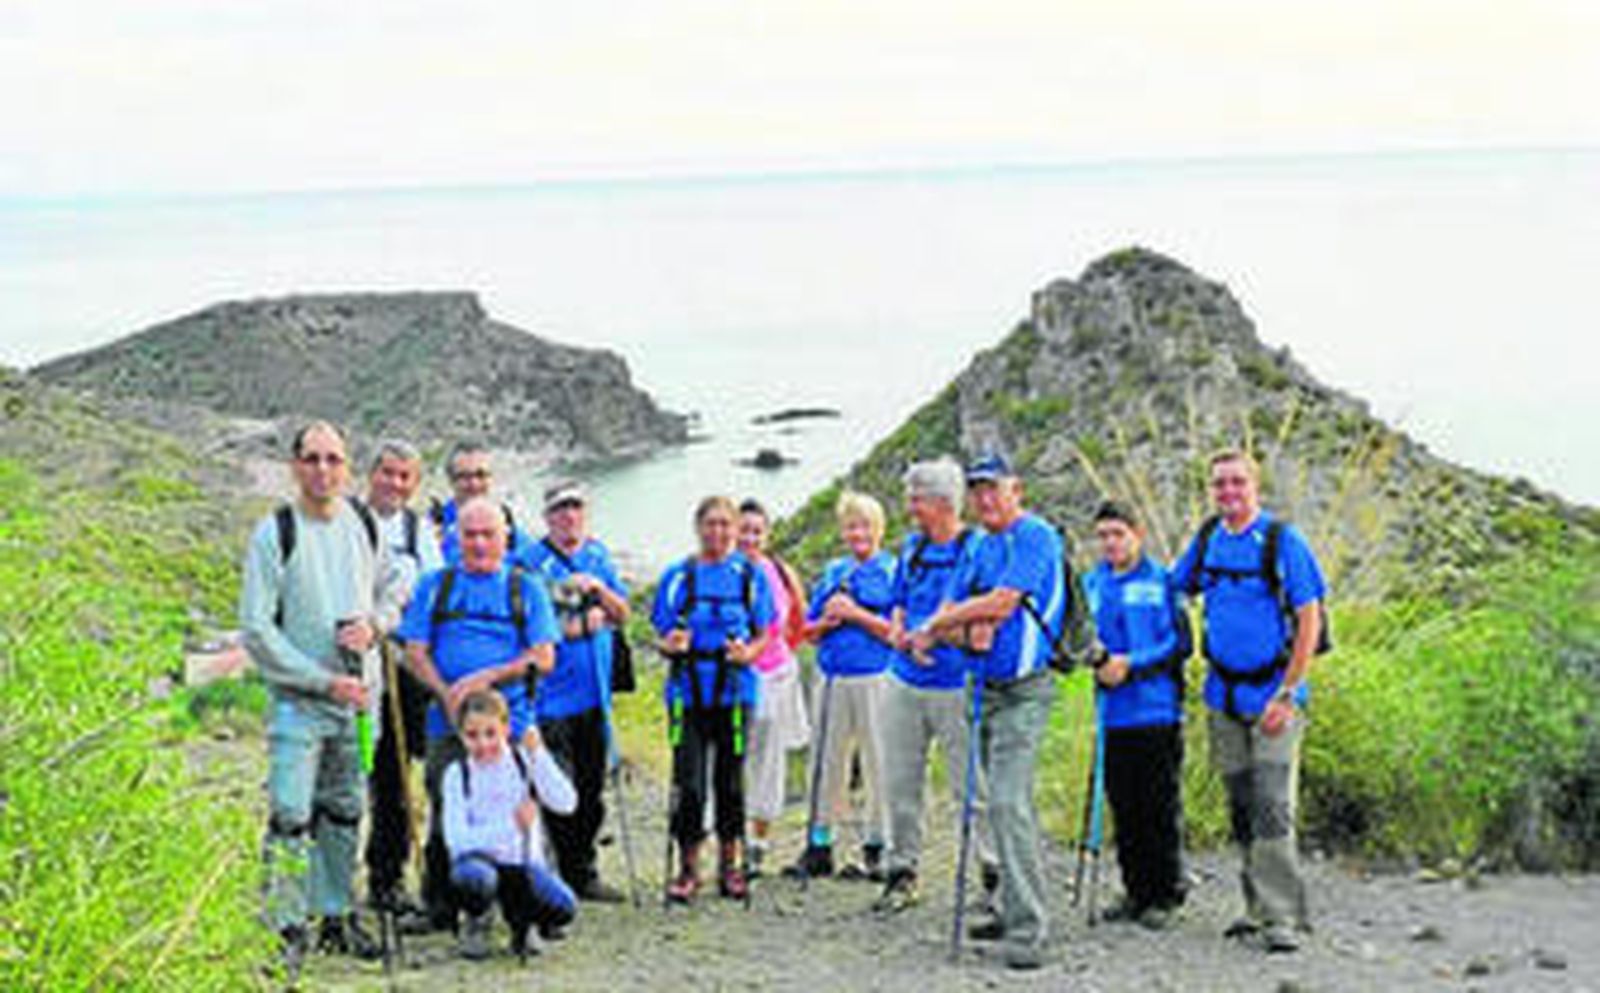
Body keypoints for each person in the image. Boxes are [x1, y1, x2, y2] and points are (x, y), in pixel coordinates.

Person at [240, 421, 404, 968]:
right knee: (290, 812)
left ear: (347, 467)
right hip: (298, 702)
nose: (323, 470)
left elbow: (397, 582)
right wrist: (319, 678)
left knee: (345, 809)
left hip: (359, 701)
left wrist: (376, 626)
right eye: (312, 459)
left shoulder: (363, 523)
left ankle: (335, 913)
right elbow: (257, 632)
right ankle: (285, 926)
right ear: (294, 466)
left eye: (334, 459)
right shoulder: (275, 534)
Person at [1170, 449, 1326, 953]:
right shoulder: (1208, 539)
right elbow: (1174, 587)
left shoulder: (1283, 542)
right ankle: (1254, 909)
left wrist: (1287, 693)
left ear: (1254, 485)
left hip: (1273, 697)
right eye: (1219, 484)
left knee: (1273, 806)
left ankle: (1283, 917)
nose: (1228, 492)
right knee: (1241, 806)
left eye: (1237, 482)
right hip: (1223, 697)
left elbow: (1310, 619)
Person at [923, 454, 1066, 971]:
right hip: (982, 687)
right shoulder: (979, 545)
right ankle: (1008, 906)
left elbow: (1003, 604)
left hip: (1026, 689)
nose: (985, 499)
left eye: (993, 489)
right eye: (977, 490)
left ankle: (1030, 930)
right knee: (992, 800)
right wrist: (960, 625)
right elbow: (949, 616)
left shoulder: (1038, 536)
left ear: (1016, 489)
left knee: (1008, 802)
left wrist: (952, 621)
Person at [397, 498, 560, 932]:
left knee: (521, 811)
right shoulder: (436, 585)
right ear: (456, 539)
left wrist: (487, 677)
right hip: (446, 723)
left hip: (511, 723)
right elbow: (415, 652)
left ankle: (530, 904)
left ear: (506, 538)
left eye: (489, 534)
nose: (480, 543)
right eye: (470, 535)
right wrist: (447, 693)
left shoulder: (527, 588)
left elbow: (543, 657)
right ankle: (444, 907)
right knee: (447, 808)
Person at [878, 458, 996, 912]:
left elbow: (982, 614)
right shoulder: (912, 548)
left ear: (943, 503)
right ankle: (902, 869)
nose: (910, 508)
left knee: (971, 784)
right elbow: (899, 604)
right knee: (900, 780)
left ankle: (993, 870)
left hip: (956, 681)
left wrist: (934, 634)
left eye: (917, 500)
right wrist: (900, 632)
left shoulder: (976, 548)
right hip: (904, 677)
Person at [651, 496, 774, 903]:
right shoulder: (678, 576)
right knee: (688, 783)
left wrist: (749, 654)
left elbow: (765, 634)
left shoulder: (749, 576)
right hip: (687, 694)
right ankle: (688, 868)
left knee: (731, 782)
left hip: (735, 694)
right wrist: (670, 645)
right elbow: (658, 633)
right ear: (697, 527)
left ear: (736, 529)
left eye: (726, 525)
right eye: (711, 524)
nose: (718, 533)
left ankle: (730, 864)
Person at [516, 479, 632, 903]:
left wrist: (598, 589)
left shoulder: (597, 555)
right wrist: (578, 626)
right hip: (549, 700)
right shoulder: (529, 563)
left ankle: (583, 872)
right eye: (560, 509)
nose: (569, 516)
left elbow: (622, 613)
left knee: (591, 790)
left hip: (594, 696)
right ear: (547, 517)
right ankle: (558, 874)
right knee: (557, 791)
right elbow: (529, 628)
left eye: (576, 507)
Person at [1084, 500, 1192, 930]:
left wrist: (1131, 663)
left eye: (1118, 534)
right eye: (1103, 535)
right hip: (1112, 715)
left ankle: (1164, 893)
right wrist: (1096, 662)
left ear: (1137, 534)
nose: (1110, 542)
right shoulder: (1092, 584)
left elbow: (1181, 644)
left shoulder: (1162, 581)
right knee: (1124, 806)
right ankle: (1134, 890)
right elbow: (1082, 639)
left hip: (1156, 711)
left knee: (1157, 806)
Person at [787, 491, 896, 881]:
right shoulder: (834, 571)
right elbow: (807, 632)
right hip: (831, 676)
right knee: (825, 760)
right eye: (851, 526)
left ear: (878, 529)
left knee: (878, 760)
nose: (857, 533)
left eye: (865, 525)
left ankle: (877, 844)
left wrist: (855, 614)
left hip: (875, 676)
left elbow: (896, 633)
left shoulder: (891, 571)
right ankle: (819, 844)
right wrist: (825, 624)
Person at [362, 438, 445, 920]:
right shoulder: (348, 520)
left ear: (414, 484)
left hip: (411, 665)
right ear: (371, 474)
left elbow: (432, 591)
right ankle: (385, 878)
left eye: (404, 477)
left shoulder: (418, 531)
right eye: (387, 473)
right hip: (369, 663)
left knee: (428, 769)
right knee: (387, 777)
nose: (395, 483)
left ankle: (434, 874)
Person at [442, 689, 579, 960]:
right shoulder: (458, 773)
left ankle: (523, 924)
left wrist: (538, 754)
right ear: (460, 735)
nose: (482, 744)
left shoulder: (522, 760)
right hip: (480, 865)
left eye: (491, 733)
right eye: (472, 735)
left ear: (506, 728)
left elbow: (566, 803)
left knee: (563, 907)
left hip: (523, 864)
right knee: (473, 878)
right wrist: (511, 827)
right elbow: (457, 841)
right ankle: (477, 919)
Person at [736, 498, 811, 879]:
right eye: (743, 530)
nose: (749, 538)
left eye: (756, 531)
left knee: (767, 761)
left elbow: (796, 621)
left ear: (766, 535)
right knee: (733, 759)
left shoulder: (778, 572)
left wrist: (775, 654)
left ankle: (758, 843)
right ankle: (732, 841)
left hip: (773, 675)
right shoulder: (721, 570)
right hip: (734, 679)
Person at [434, 440, 531, 565]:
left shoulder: (508, 526)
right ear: (450, 480)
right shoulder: (434, 526)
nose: (474, 483)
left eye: (480, 475)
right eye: (464, 476)